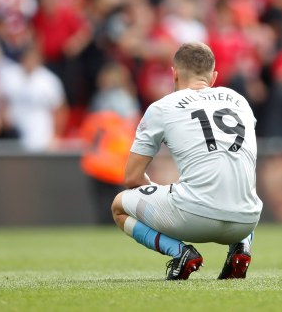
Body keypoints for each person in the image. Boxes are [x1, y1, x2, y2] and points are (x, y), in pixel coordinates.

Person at [111, 42, 263, 280]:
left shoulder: (162, 107)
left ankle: (181, 252)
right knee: (235, 179)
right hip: (247, 220)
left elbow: (131, 177)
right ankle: (241, 248)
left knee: (119, 206)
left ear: (174, 74)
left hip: (193, 216)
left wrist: (159, 191)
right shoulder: (239, 101)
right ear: (213, 77)